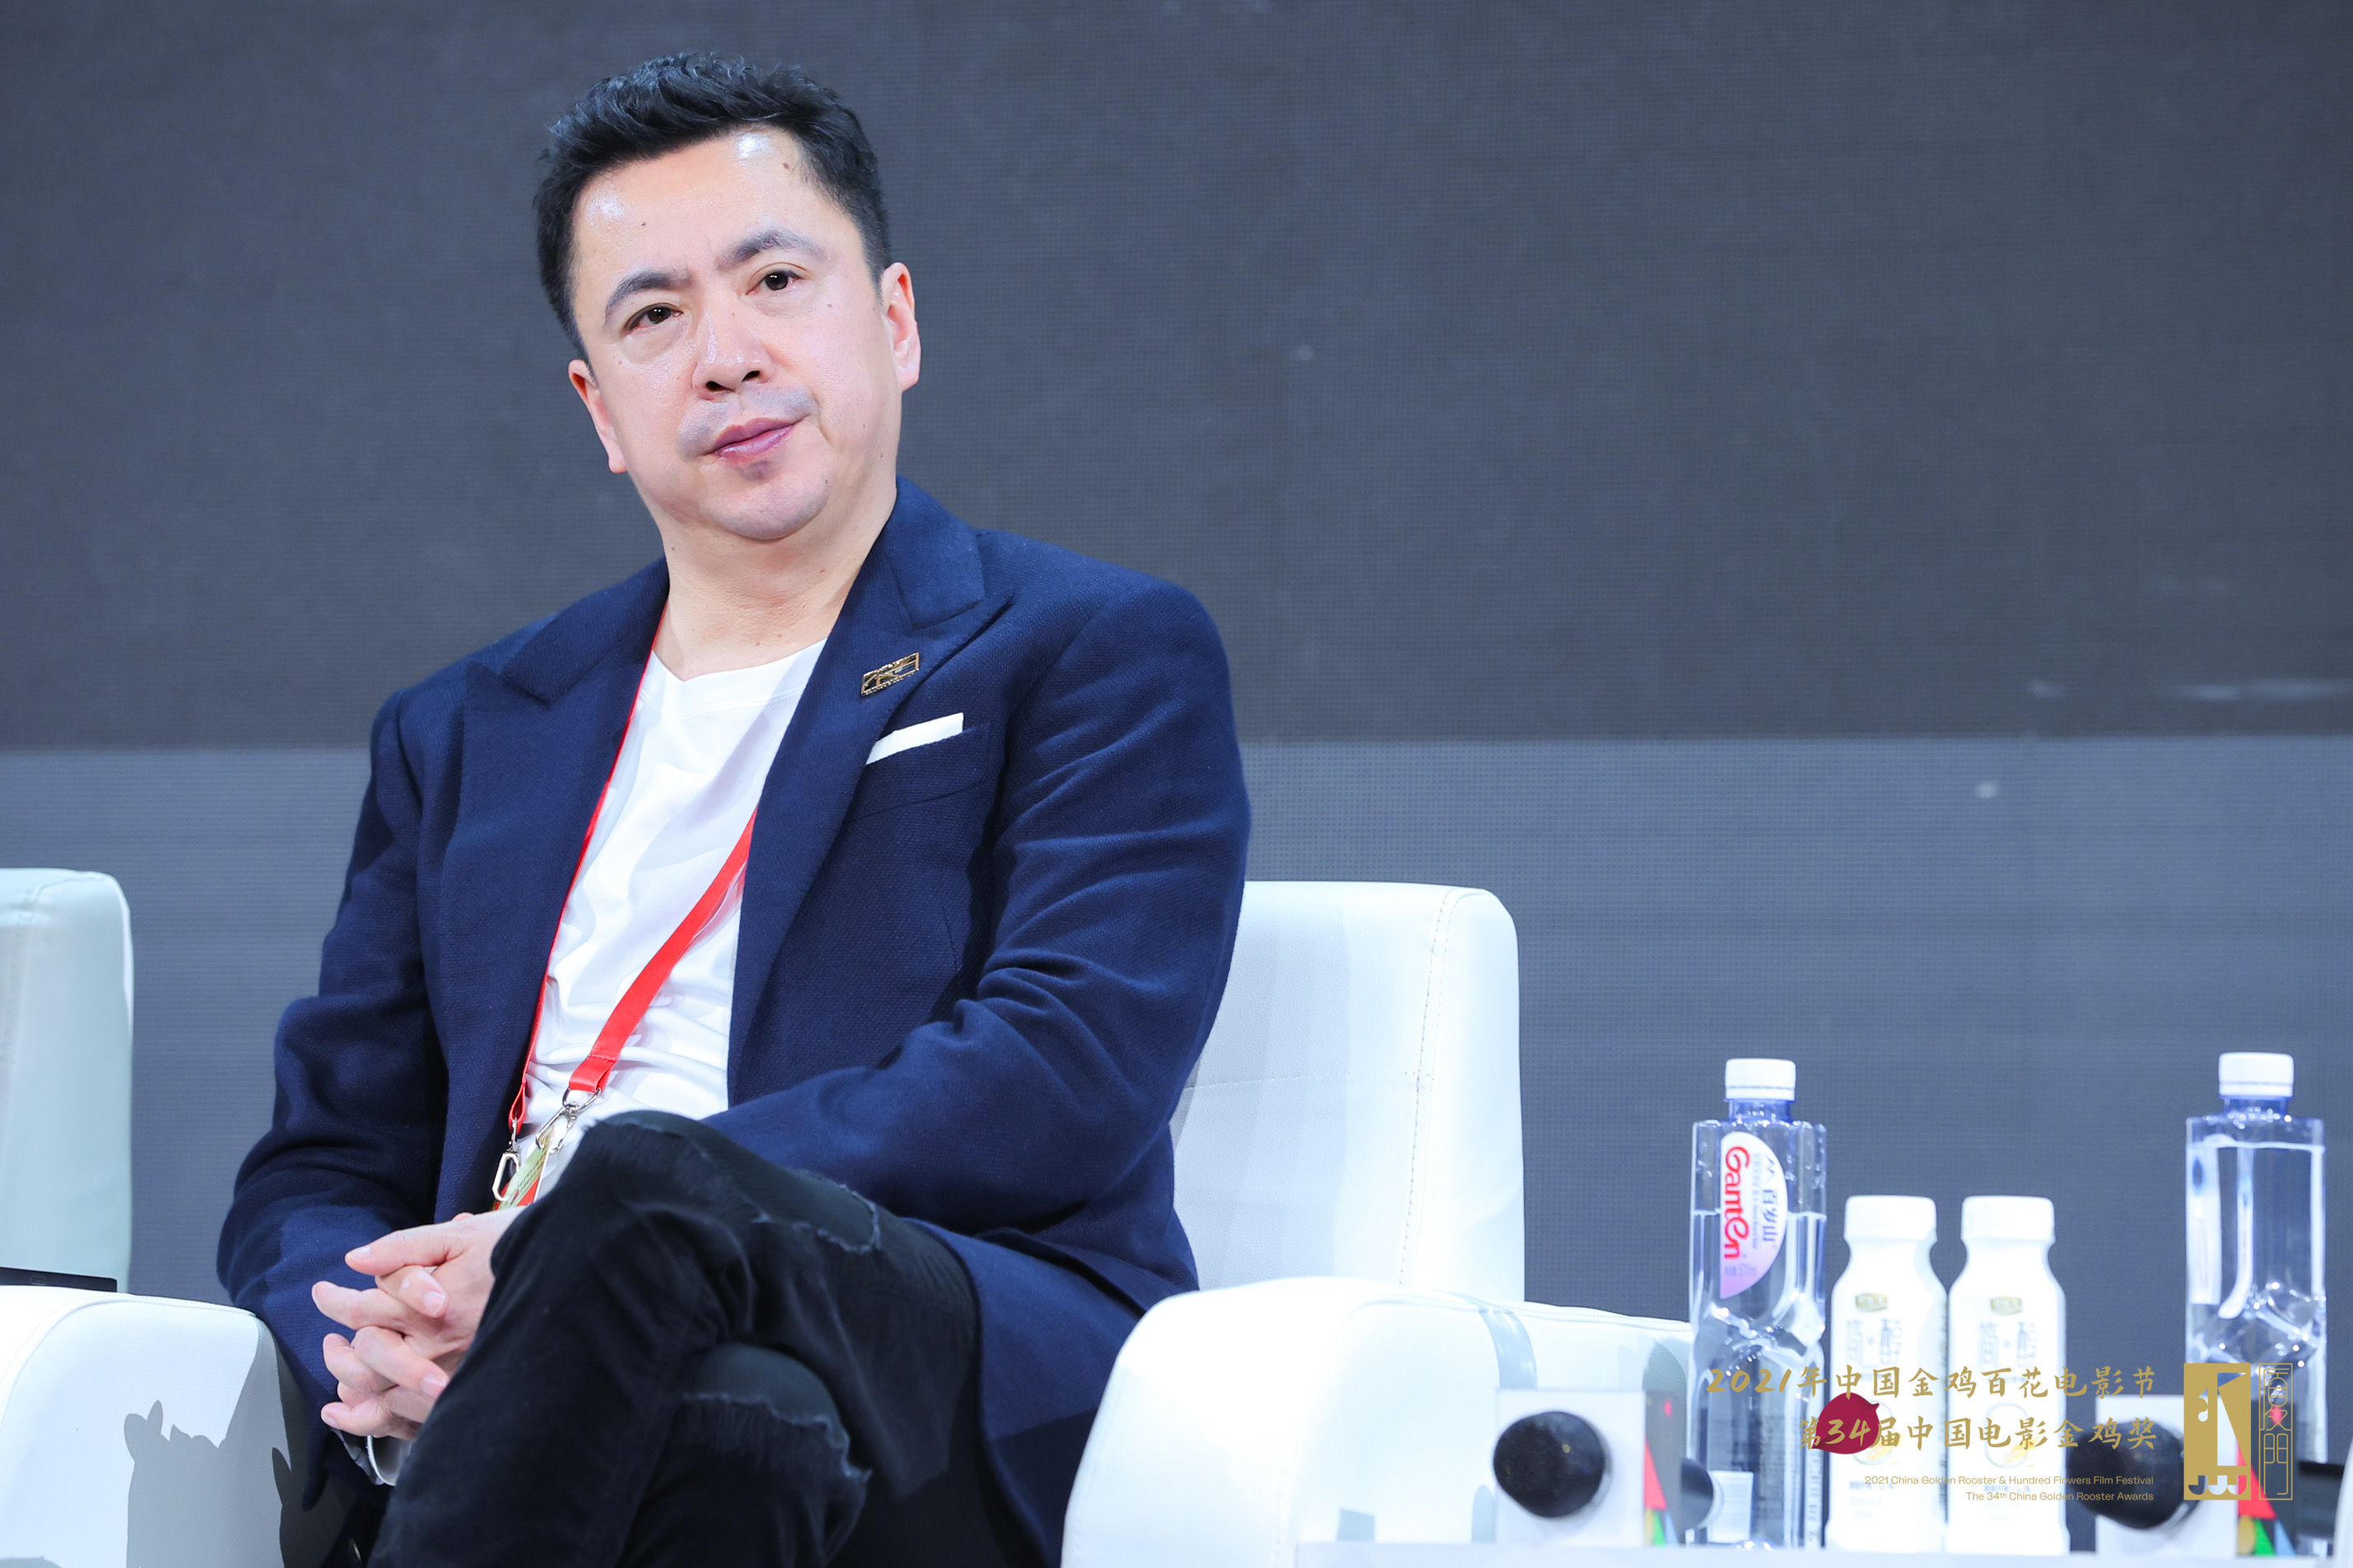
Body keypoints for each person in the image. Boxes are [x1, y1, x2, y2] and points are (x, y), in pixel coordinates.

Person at [217, 52, 1249, 1567]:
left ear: (893, 321)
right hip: (604, 1379)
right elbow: (318, 1166)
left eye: (774, 281)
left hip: (946, 1334)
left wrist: (580, 1232)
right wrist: (369, 1338)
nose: (724, 356)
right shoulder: (468, 727)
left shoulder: (1086, 647)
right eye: (653, 317)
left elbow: (1065, 1067)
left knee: (646, 1184)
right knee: (735, 1426)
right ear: (599, 407)